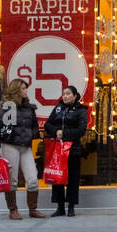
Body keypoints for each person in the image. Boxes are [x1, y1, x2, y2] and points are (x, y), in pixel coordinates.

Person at [0, 78, 45, 220]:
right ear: (16, 90)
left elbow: (34, 126)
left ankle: (33, 209)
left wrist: (31, 134)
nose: (26, 90)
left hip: (25, 147)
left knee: (33, 179)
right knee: (12, 180)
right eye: (23, 88)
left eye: (26, 88)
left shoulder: (29, 108)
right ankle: (13, 210)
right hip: (10, 146)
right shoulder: (8, 107)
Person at [43, 84, 88, 216]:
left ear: (75, 96)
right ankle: (60, 206)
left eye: (68, 94)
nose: (66, 96)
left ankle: (71, 206)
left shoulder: (81, 110)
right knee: (57, 177)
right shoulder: (57, 108)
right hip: (58, 149)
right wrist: (56, 132)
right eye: (64, 94)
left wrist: (64, 133)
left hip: (73, 149)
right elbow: (48, 124)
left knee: (73, 178)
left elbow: (81, 130)